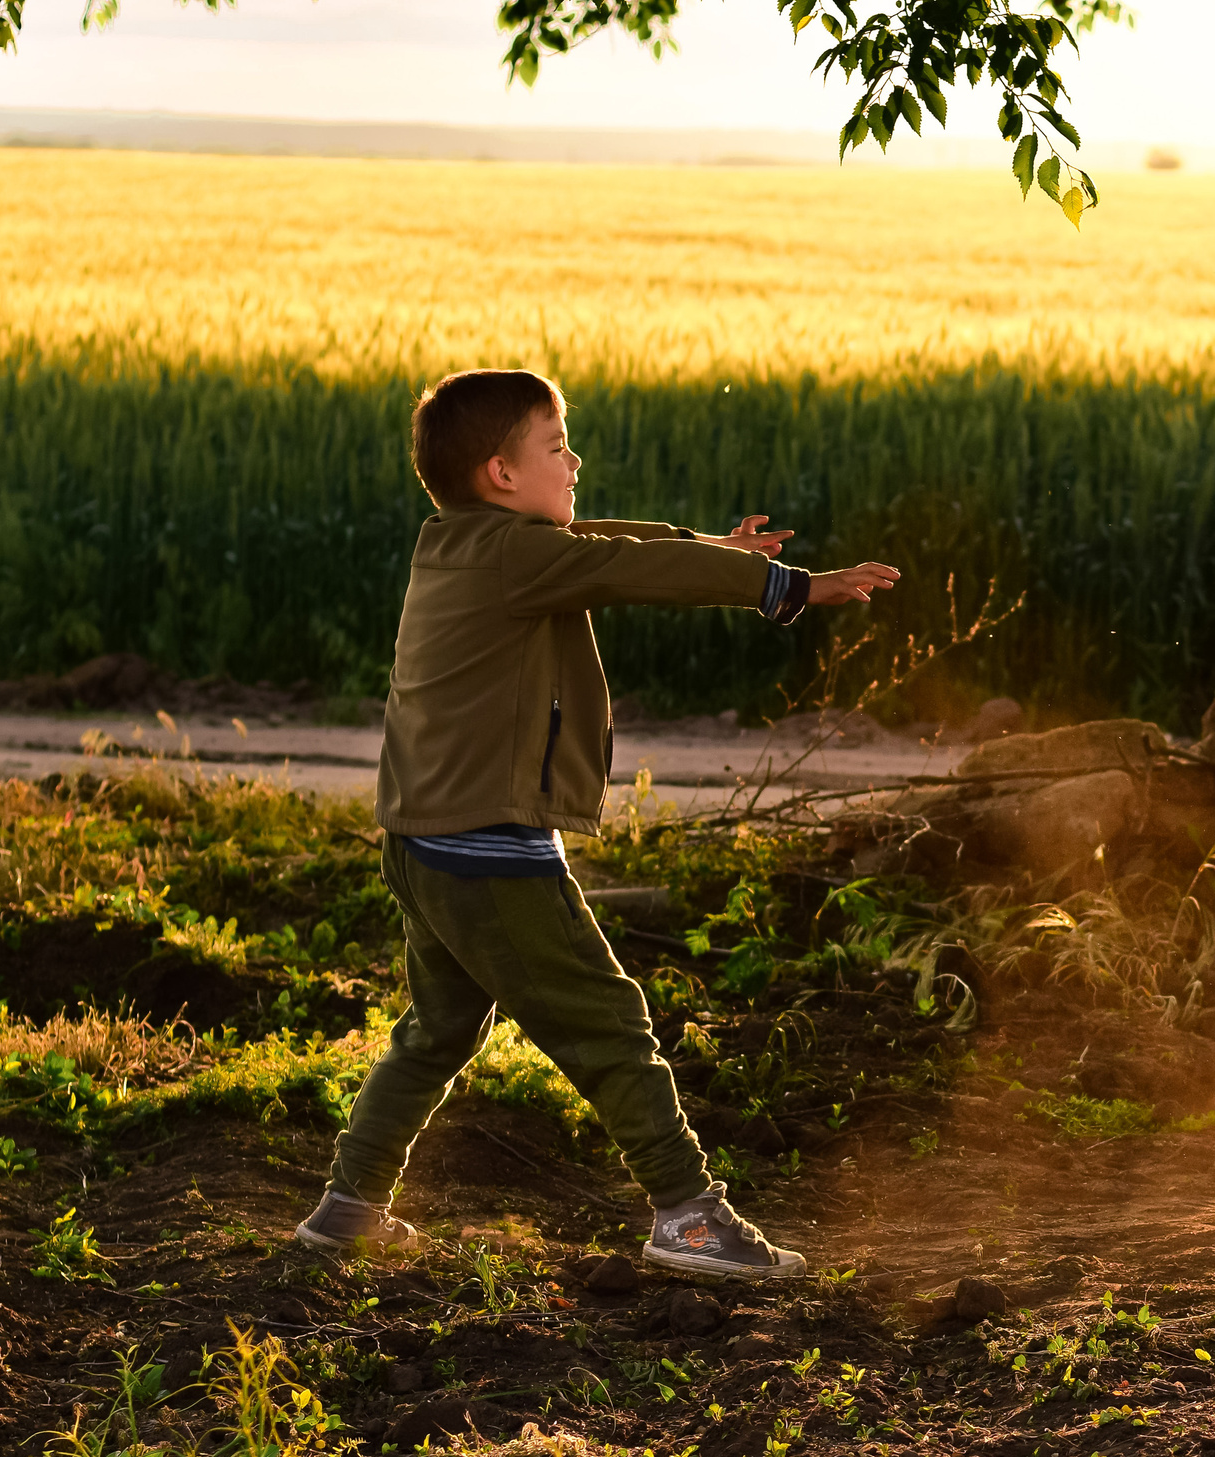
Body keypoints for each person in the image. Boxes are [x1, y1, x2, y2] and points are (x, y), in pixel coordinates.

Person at [294, 368, 900, 1276]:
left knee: (439, 1031)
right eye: (556, 445)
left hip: (421, 843)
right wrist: (784, 586)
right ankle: (687, 1215)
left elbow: (617, 544)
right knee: (612, 1021)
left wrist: (714, 545)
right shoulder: (516, 555)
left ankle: (347, 1209)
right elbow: (629, 567)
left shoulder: (459, 542)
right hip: (487, 848)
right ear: (501, 473)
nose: (575, 460)